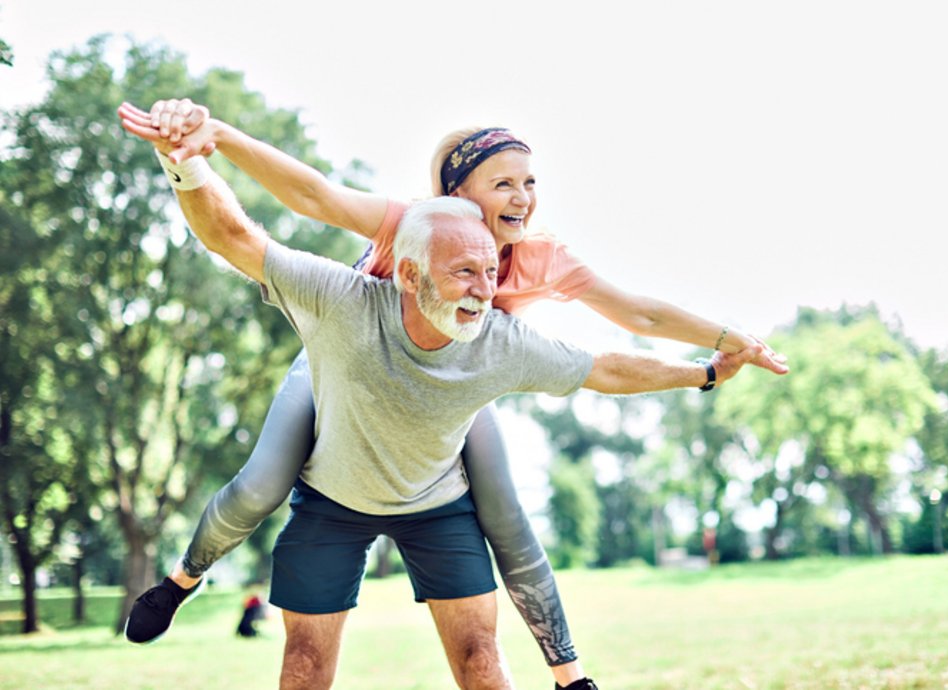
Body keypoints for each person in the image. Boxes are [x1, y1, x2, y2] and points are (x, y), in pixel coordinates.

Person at [118, 100, 788, 689]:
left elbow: (634, 322)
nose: (523, 197)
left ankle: (570, 676)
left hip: (458, 384)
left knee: (507, 518)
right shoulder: (411, 225)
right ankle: (183, 579)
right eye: (505, 182)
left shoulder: (537, 259)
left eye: (531, 181)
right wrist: (217, 140)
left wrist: (728, 345)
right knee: (261, 484)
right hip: (348, 370)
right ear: (457, 191)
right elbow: (313, 199)